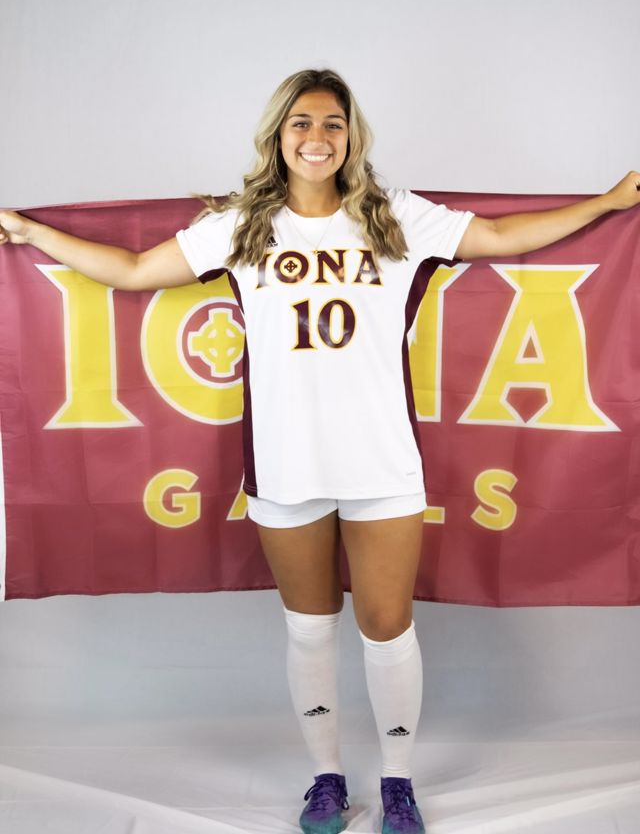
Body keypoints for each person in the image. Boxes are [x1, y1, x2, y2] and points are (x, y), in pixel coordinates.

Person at [1, 68, 638, 834]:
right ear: (278, 136)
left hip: (382, 461)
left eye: (333, 123)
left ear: (351, 137)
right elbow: (135, 272)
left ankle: (398, 783)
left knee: (388, 628)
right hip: (287, 462)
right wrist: (34, 234)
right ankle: (327, 780)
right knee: (310, 630)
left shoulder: (394, 218)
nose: (317, 137)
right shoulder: (243, 225)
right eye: (301, 123)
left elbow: (501, 237)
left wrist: (606, 203)